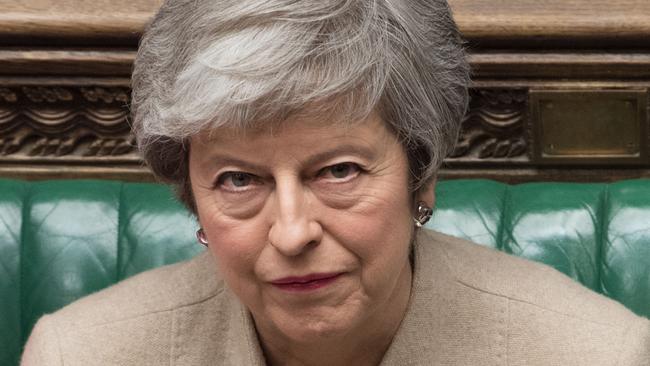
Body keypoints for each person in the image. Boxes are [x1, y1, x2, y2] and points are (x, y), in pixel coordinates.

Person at [22, 0, 649, 365]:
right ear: (193, 197)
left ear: (420, 176)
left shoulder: (595, 353)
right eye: (239, 180)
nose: (293, 232)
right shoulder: (79, 354)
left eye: (339, 171)